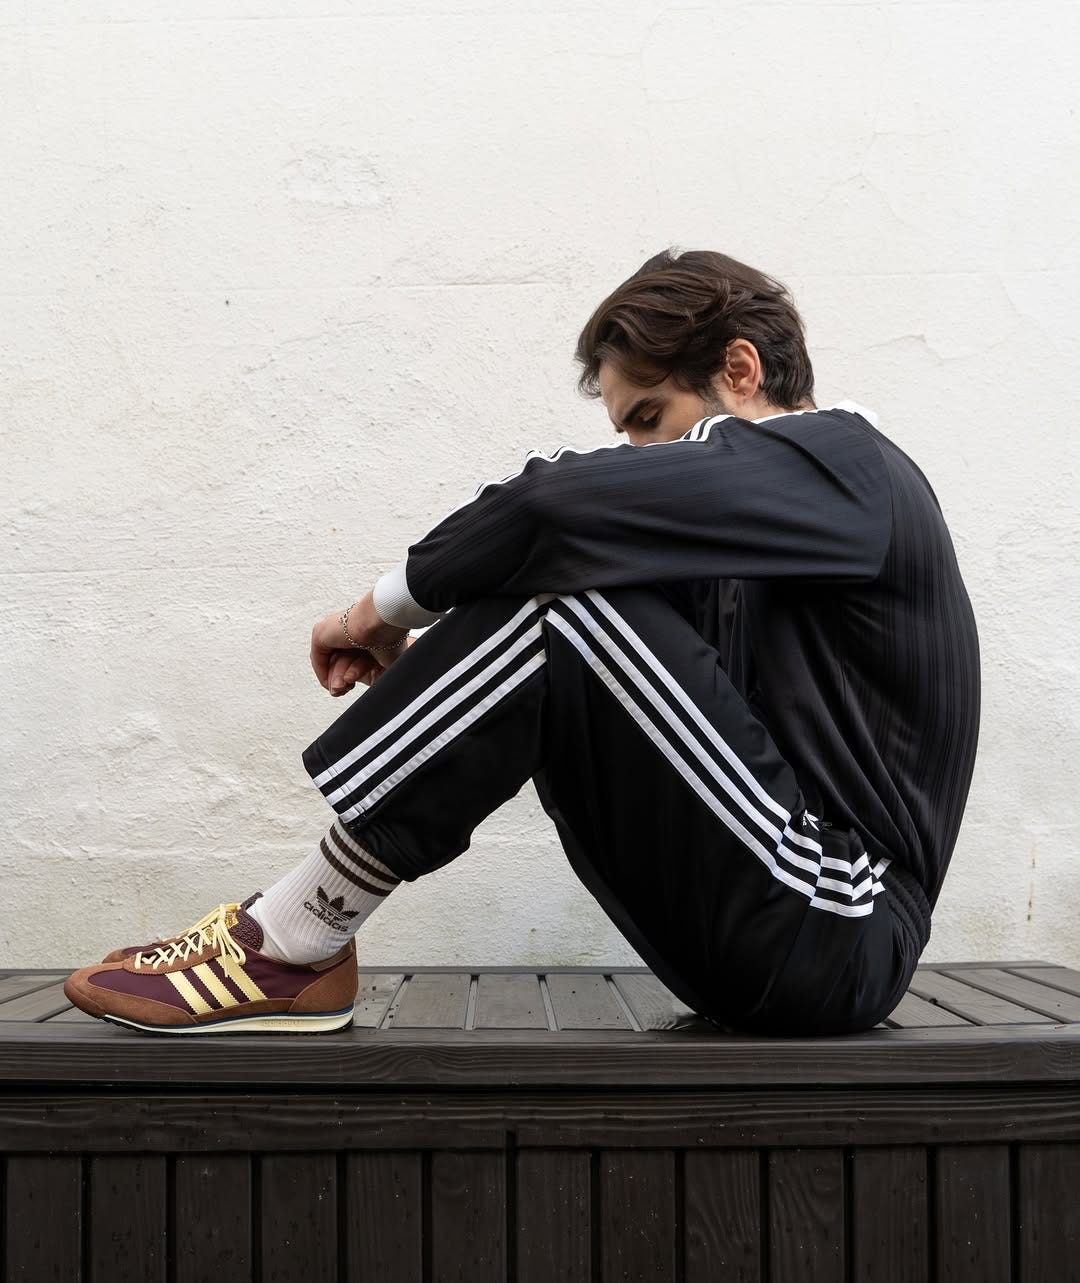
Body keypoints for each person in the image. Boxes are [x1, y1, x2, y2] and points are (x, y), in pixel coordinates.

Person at [64, 248, 981, 1037]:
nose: (639, 457)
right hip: (756, 922)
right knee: (572, 590)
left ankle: (298, 937)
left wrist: (378, 612)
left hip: (841, 923)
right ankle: (303, 937)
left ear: (741, 371)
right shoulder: (760, 537)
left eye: (650, 421)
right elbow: (587, 605)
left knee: (566, 595)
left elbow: (551, 509)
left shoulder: (850, 466)